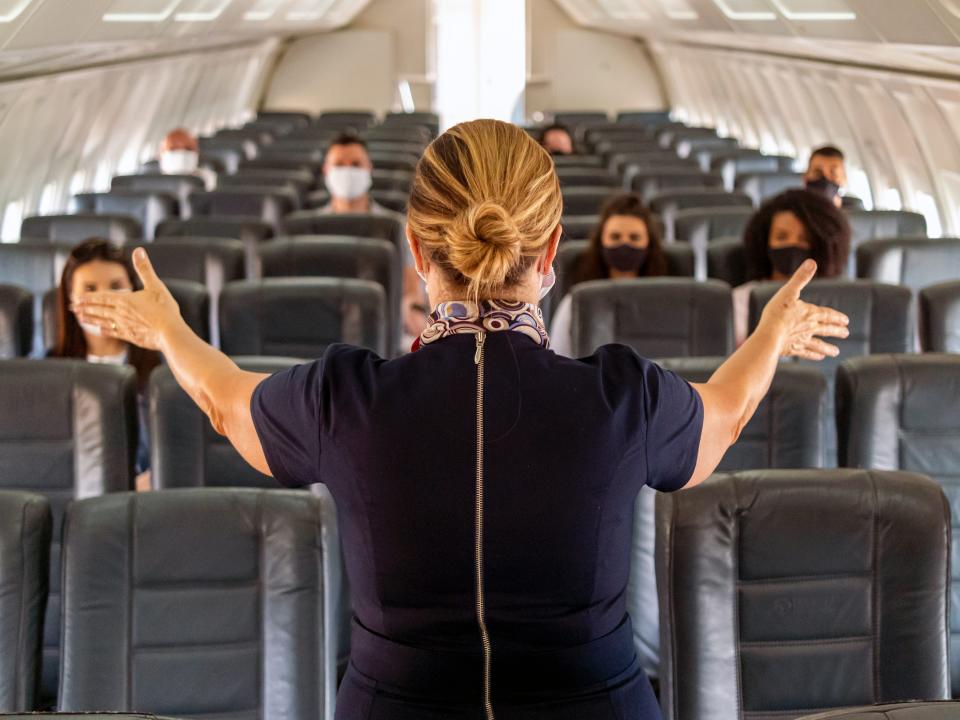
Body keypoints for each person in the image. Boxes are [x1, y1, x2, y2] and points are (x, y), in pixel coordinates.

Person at [74, 119, 848, 720]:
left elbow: (222, 398)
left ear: (416, 249)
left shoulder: (346, 399)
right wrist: (770, 335)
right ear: (550, 253)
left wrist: (170, 330)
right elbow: (726, 411)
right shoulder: (624, 397)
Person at [50, 238, 161, 491]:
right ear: (70, 299)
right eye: (90, 288)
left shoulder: (164, 370)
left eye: (115, 286)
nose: (105, 299)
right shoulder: (47, 373)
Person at [320, 132, 429, 342]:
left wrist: (410, 309)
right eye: (339, 165)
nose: (347, 171)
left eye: (355, 164)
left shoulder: (394, 227)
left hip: (383, 327)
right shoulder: (308, 228)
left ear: (369, 168)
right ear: (326, 171)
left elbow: (410, 286)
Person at [550, 193, 667, 357]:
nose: (625, 244)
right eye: (615, 237)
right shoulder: (576, 303)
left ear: (649, 244)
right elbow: (559, 358)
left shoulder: (667, 300)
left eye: (634, 238)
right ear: (601, 243)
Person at [733, 188, 852, 346]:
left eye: (804, 238)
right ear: (764, 243)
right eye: (782, 237)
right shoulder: (740, 300)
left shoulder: (844, 300)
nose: (793, 245)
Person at [804, 145, 860, 209]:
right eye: (818, 172)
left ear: (844, 179)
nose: (826, 178)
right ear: (805, 177)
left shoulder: (855, 212)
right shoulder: (793, 210)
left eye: (833, 173)